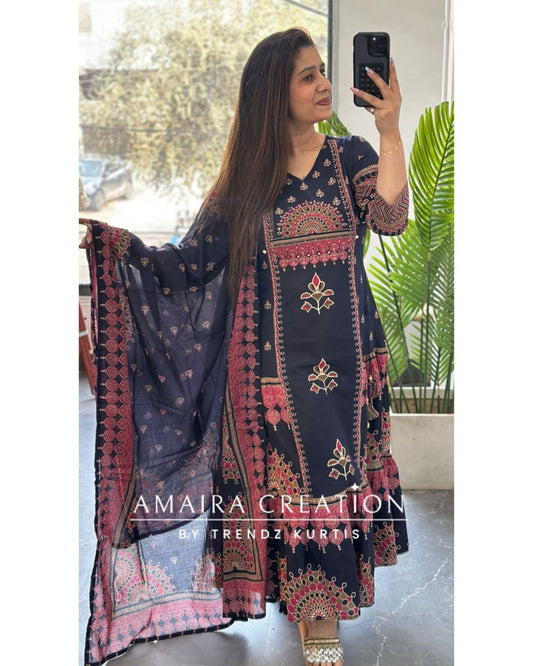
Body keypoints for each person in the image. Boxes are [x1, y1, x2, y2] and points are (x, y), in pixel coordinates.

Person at [81, 27, 409, 666]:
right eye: (308, 76)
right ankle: (310, 608)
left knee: (333, 482)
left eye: (322, 71)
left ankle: (321, 613)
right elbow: (185, 264)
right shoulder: (245, 182)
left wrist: (391, 129)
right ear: (272, 94)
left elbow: (392, 217)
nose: (324, 85)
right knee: (293, 491)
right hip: (272, 376)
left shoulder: (349, 157)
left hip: (348, 366)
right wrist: (115, 247)